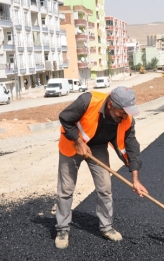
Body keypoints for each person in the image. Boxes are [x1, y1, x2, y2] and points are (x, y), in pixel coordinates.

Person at [54, 86, 149, 249]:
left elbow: (132, 146)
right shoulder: (88, 100)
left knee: (105, 187)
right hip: (72, 144)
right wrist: (78, 142)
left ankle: (106, 227)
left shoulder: (126, 119)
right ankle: (62, 229)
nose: (125, 116)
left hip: (97, 148)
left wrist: (135, 180)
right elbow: (65, 118)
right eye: (122, 112)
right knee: (66, 189)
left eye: (127, 112)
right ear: (111, 104)